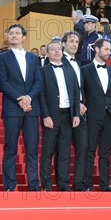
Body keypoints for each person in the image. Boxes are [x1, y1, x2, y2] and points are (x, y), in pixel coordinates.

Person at [0, 23, 42, 191]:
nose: (14, 35)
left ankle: (34, 185)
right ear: (8, 37)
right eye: (11, 33)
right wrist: (19, 98)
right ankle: (9, 185)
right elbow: (2, 82)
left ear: (24, 37)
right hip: (12, 108)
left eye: (17, 33)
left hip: (31, 108)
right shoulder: (2, 58)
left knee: (31, 149)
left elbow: (38, 81)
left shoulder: (33, 58)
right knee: (10, 148)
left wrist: (28, 97)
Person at [38, 42, 80, 191]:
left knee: (64, 152)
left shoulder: (70, 71)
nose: (56, 51)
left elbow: (76, 93)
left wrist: (76, 114)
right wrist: (45, 116)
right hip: (51, 116)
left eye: (58, 49)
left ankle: (63, 184)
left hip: (67, 116)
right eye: (52, 50)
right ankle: (47, 184)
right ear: (47, 53)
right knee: (47, 151)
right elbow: (41, 95)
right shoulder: (43, 71)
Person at [60, 31, 88, 191]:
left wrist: (82, 103)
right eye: (71, 41)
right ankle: (63, 184)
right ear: (63, 43)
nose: (74, 44)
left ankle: (79, 183)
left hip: (81, 112)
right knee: (63, 149)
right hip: (65, 112)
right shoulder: (58, 61)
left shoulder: (78, 63)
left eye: (77, 42)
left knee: (82, 147)